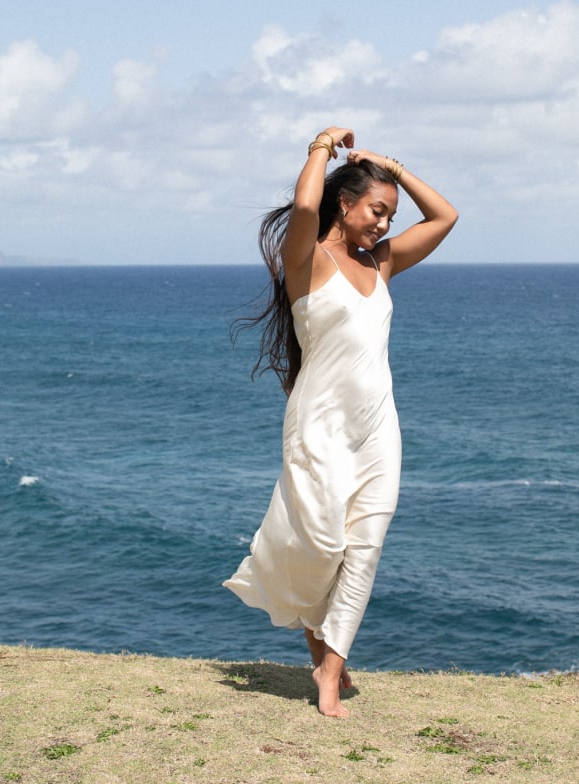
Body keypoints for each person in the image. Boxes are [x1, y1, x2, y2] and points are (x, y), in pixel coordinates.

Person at [224, 126, 458, 717]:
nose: (385, 223)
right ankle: (323, 647)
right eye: (377, 210)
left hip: (379, 427)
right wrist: (321, 147)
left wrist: (391, 167)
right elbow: (305, 205)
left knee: (365, 547)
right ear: (345, 203)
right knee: (323, 544)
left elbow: (445, 217)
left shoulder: (380, 263)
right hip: (319, 425)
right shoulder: (305, 261)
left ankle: (330, 672)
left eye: (390, 214)